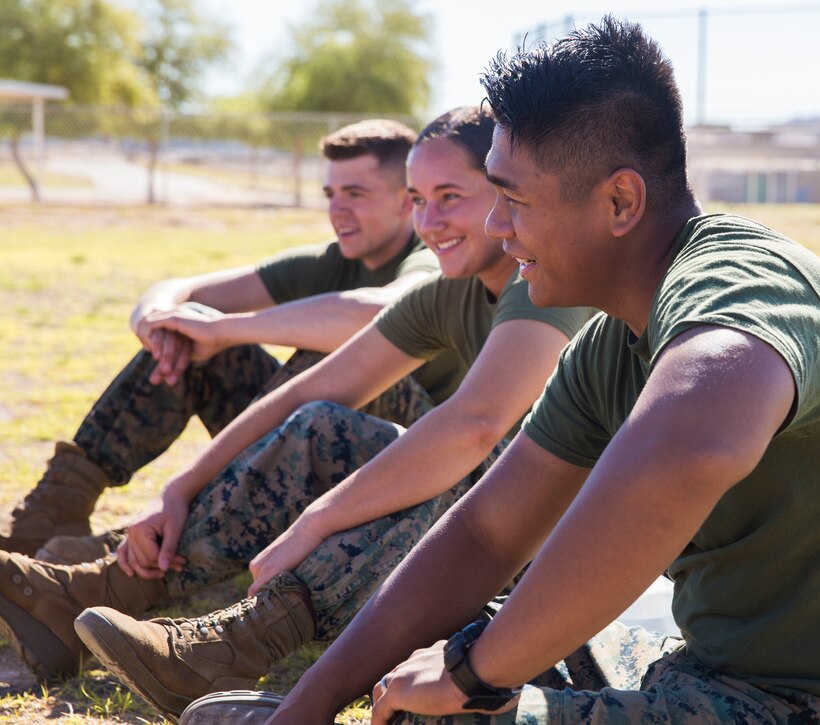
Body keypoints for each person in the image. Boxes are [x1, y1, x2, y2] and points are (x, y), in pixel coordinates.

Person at [195, 18, 820, 725]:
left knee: (450, 700)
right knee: (458, 651)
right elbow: (485, 532)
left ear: (621, 202)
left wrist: (472, 672)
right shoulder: (610, 343)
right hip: (718, 674)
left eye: (513, 200)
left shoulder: (742, 278)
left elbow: (690, 449)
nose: (497, 226)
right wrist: (309, 705)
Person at [0, 106, 594, 719]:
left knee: (457, 458)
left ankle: (239, 641)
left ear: (502, 192)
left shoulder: (545, 280)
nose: (429, 221)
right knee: (321, 421)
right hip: (479, 536)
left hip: (555, 557)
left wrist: (316, 518)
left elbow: (475, 427)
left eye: (450, 197)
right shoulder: (449, 291)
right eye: (419, 199)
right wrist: (179, 488)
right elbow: (302, 395)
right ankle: (111, 586)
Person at [0, 118, 453, 563]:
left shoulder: (435, 256)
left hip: (417, 469)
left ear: (406, 200)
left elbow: (377, 314)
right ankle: (54, 510)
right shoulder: (333, 260)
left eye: (355, 194)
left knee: (338, 353)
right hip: (312, 458)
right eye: (330, 195)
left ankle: (143, 549)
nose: (337, 210)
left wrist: (222, 330)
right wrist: (157, 322)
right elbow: (181, 292)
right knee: (189, 326)